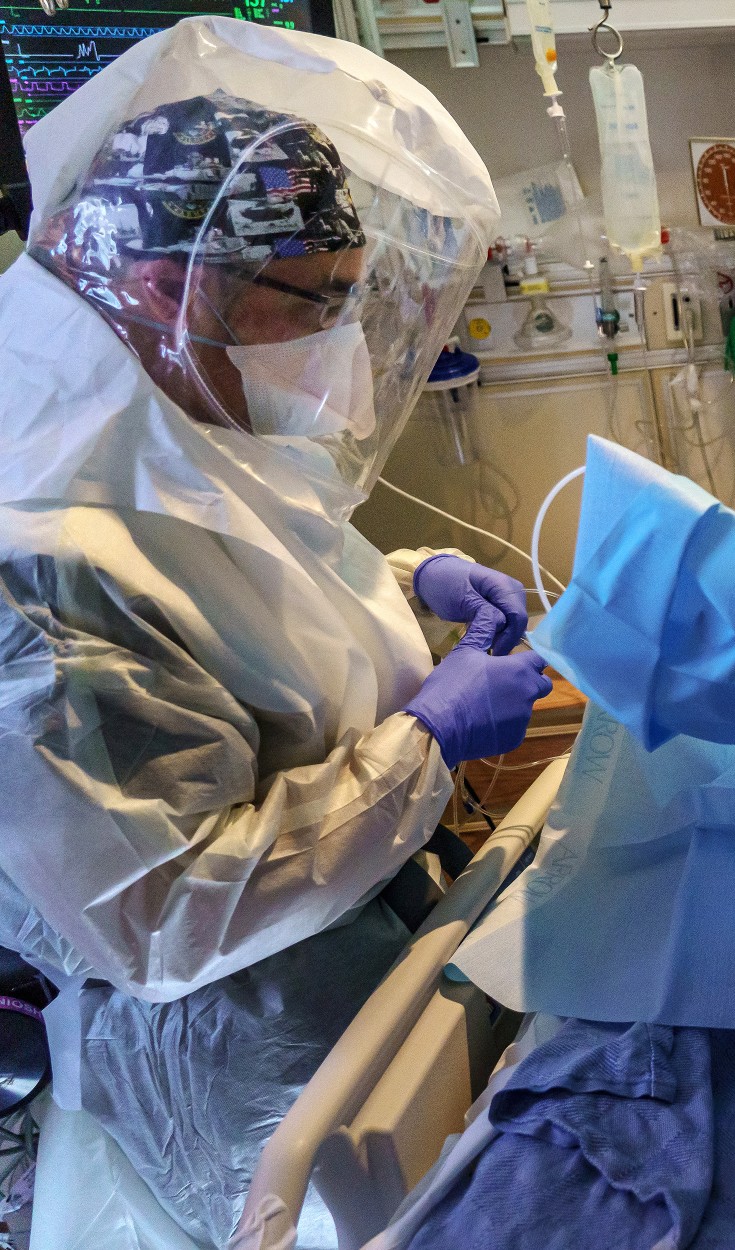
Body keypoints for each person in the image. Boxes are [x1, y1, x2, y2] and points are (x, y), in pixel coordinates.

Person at [0, 17, 543, 1243]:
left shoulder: (167, 416)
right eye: (317, 305)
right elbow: (169, 906)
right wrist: (427, 742)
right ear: (164, 287)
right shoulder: (36, 549)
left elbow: (246, 608)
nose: (341, 349)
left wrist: (412, 584)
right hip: (243, 1050)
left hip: (364, 968)